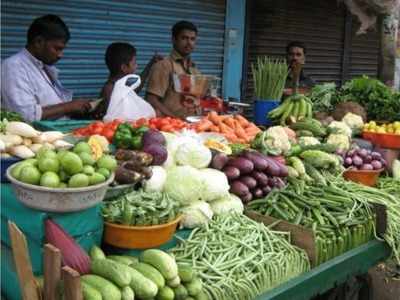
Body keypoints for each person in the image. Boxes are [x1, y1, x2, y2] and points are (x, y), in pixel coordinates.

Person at [1, 14, 93, 122]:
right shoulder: (14, 67)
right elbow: (24, 115)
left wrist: (81, 107)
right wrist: (68, 106)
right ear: (39, 42)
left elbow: (56, 105)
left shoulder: (44, 67)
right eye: (57, 48)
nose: (60, 55)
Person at [91, 42, 162, 119]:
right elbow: (119, 118)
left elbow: (136, 88)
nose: (136, 66)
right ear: (124, 68)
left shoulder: (122, 85)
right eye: (134, 63)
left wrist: (150, 64)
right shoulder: (110, 90)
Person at [146, 20, 201, 119]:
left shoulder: (194, 69)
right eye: (184, 38)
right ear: (174, 39)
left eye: (192, 39)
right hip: (171, 127)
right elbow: (151, 99)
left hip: (192, 126)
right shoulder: (164, 66)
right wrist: (175, 119)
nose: (189, 43)